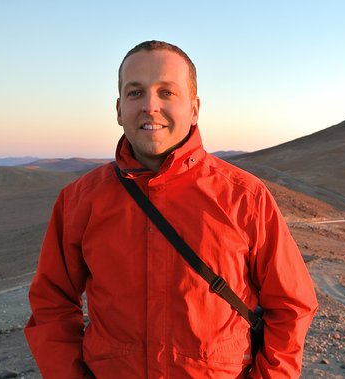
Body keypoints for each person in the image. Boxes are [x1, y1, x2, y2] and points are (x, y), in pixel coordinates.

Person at [24, 40, 318, 378]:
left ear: (194, 108)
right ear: (119, 109)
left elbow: (292, 306)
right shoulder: (80, 200)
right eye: (136, 93)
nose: (150, 106)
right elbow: (52, 303)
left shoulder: (245, 197)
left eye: (167, 92)